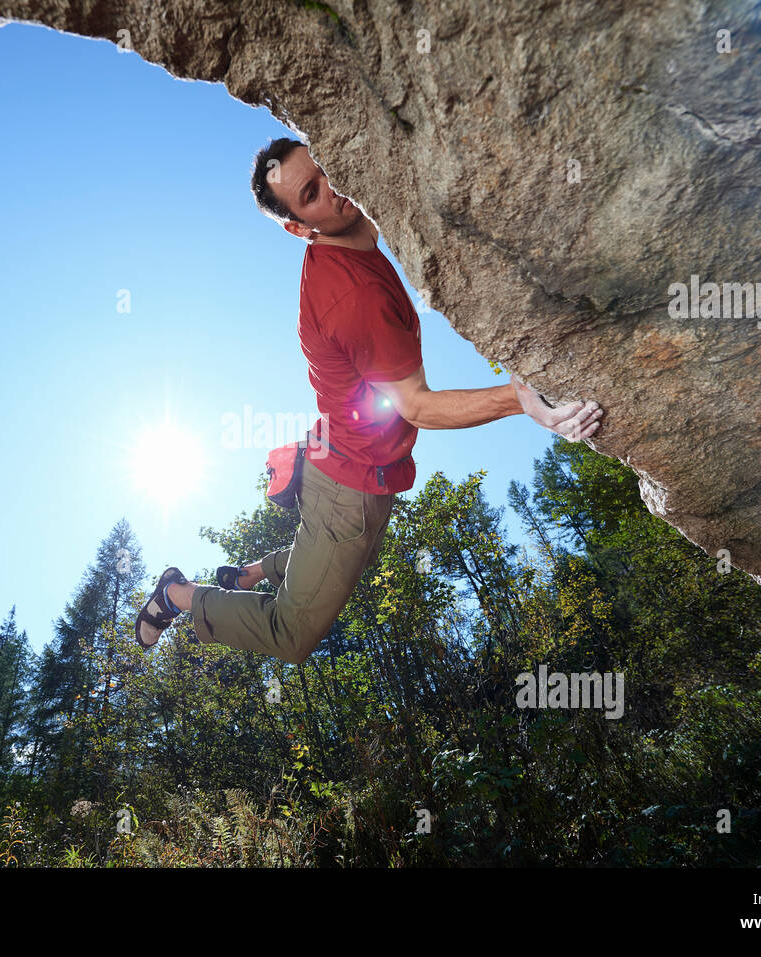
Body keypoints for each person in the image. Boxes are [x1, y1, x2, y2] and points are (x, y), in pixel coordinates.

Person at [135, 137, 604, 663]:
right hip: (347, 484)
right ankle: (176, 595)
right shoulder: (351, 295)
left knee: (343, 560)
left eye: (326, 169)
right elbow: (415, 405)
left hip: (351, 461)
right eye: (312, 193)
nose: (333, 188)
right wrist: (519, 398)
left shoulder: (356, 227)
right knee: (292, 634)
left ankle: (254, 571)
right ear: (300, 228)